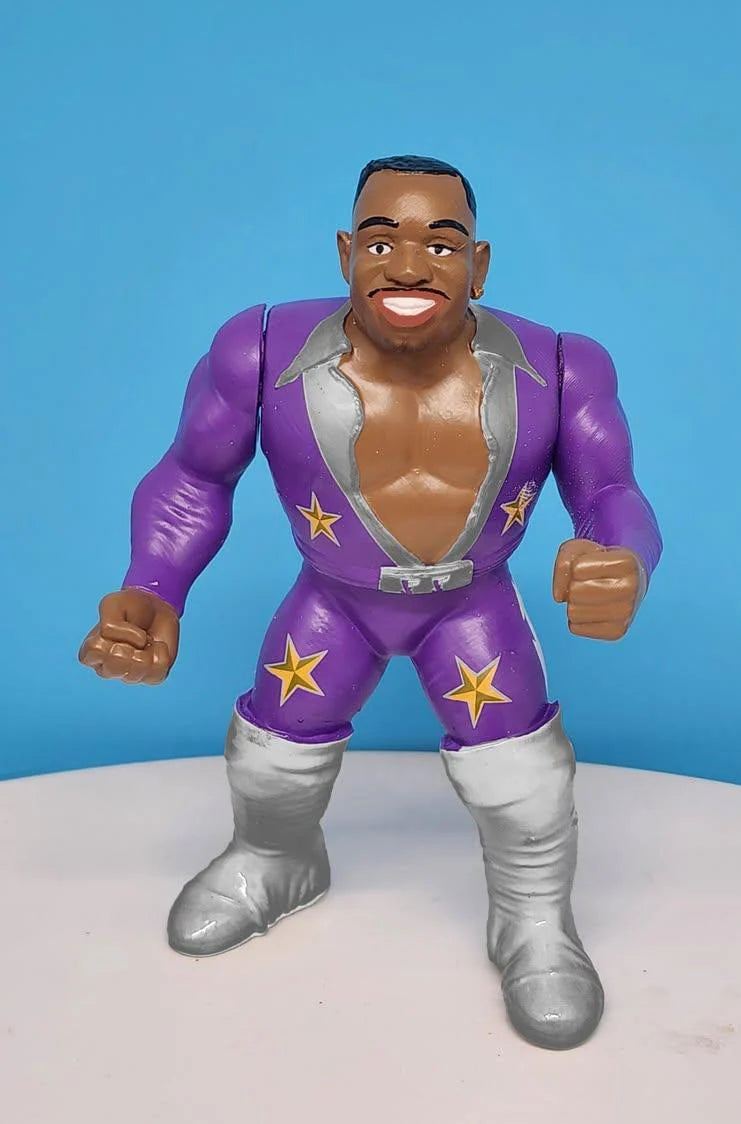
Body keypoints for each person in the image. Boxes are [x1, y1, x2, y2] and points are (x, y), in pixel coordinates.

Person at [79, 154, 662, 1051]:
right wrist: (152, 584)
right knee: (273, 748)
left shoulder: (558, 366)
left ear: (480, 264)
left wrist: (621, 561)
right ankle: (275, 858)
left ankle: (534, 917)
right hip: (333, 602)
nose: (409, 265)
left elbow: (612, 491)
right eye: (382, 240)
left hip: (470, 606)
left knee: (520, 774)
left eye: (443, 243)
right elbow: (194, 477)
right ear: (346, 252)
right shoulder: (260, 349)